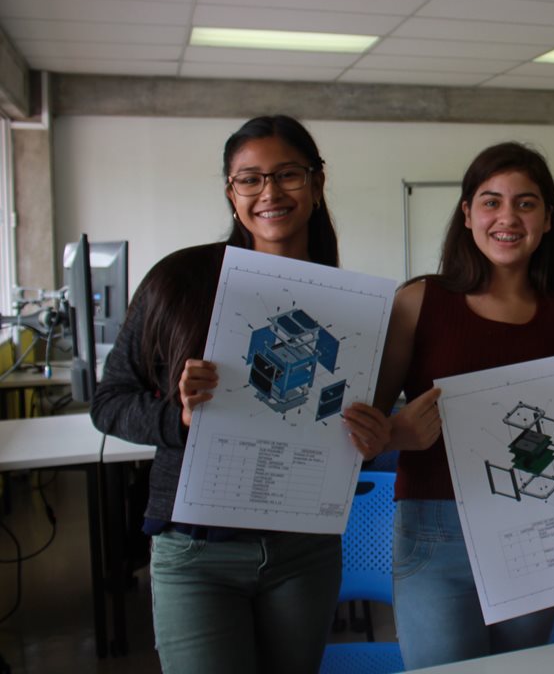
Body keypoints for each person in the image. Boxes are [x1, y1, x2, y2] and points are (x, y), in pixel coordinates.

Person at [341, 142, 554, 670]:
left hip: (533, 526)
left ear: (548, 219)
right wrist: (397, 433)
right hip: (435, 533)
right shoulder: (418, 302)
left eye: (526, 203)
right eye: (491, 201)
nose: (508, 217)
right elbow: (359, 433)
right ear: (466, 214)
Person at [91, 115, 360, 673]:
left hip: (301, 549)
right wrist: (180, 417)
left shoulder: (348, 303)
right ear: (230, 191)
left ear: (317, 181)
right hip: (196, 548)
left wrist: (371, 432)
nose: (270, 192)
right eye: (250, 179)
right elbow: (110, 401)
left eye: (287, 174)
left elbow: (346, 425)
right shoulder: (180, 281)